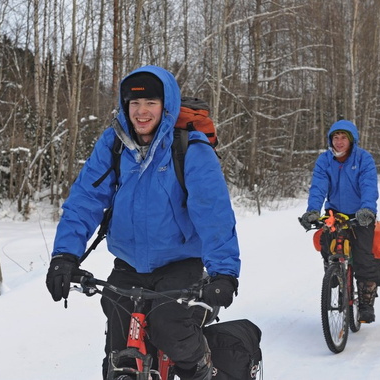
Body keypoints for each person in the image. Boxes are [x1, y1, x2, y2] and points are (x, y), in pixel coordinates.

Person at [46, 65, 241, 380]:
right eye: (134, 103)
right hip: (128, 265)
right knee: (117, 348)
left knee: (170, 328)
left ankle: (201, 366)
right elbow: (85, 200)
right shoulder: (114, 144)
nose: (141, 111)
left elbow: (213, 213)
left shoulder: (190, 148)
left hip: (180, 264)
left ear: (166, 105)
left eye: (150, 102)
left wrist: (224, 273)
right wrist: (64, 255)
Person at [299, 119, 380, 323]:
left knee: (363, 256)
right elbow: (318, 187)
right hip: (336, 213)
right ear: (330, 139)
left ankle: (365, 301)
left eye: (344, 137)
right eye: (336, 137)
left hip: (361, 214)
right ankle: (334, 272)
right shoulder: (324, 160)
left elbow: (368, 185)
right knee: (327, 243)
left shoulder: (363, 159)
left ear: (351, 140)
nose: (339, 141)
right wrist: (312, 211)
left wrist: (367, 209)